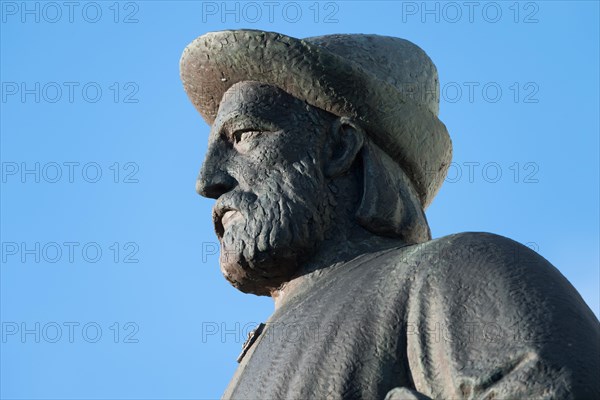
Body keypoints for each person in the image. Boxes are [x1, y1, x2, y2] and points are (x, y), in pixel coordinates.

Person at [180, 30, 599, 399]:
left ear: (340, 147)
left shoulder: (456, 272)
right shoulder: (242, 373)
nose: (207, 181)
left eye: (243, 136)